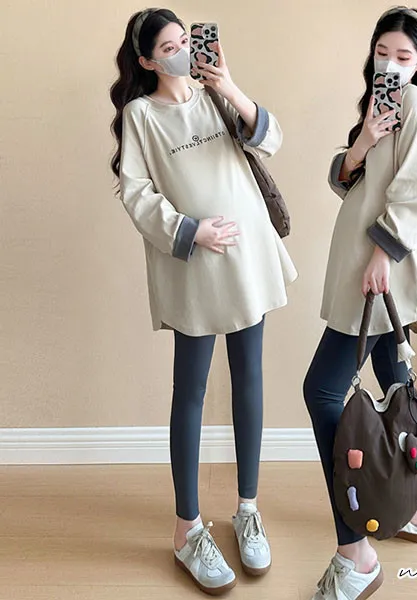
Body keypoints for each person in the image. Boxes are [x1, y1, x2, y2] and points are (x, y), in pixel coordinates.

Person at [109, 8, 297, 595]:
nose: (181, 52)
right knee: (189, 390)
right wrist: (192, 231)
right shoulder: (141, 115)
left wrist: (230, 86)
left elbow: (272, 139)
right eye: (168, 47)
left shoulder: (217, 94)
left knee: (249, 378)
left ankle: (247, 510)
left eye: (184, 41)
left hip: (248, 259)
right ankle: (187, 528)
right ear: (146, 60)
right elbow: (136, 191)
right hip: (194, 263)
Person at [303, 6, 417, 599]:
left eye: (403, 57)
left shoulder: (414, 101)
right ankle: (413, 506)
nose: (390, 66)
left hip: (376, 269)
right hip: (369, 265)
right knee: (397, 387)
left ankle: (356, 552)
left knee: (323, 392)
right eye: (382, 54)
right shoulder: (381, 107)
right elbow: (351, 180)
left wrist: (383, 255)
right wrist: (365, 139)